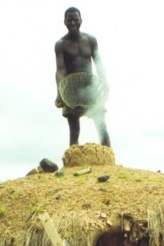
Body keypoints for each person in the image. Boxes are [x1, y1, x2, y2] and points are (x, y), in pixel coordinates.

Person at [55, 7, 111, 147]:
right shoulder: (61, 44)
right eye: (70, 20)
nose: (73, 23)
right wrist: (59, 93)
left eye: (75, 19)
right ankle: (73, 163)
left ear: (81, 21)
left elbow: (98, 63)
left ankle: (109, 159)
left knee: (101, 126)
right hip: (71, 90)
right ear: (65, 22)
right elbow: (60, 69)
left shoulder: (90, 40)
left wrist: (103, 81)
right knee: (74, 130)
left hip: (90, 87)